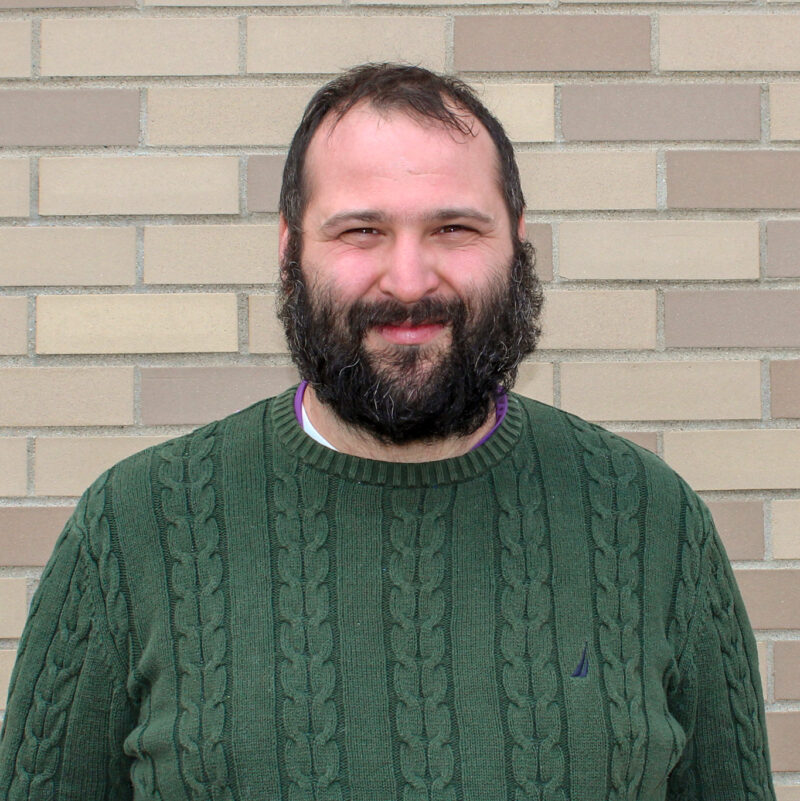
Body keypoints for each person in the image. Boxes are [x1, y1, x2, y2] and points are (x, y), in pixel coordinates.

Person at [0, 63, 774, 800]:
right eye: (362, 231)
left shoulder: (651, 521)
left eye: (454, 228)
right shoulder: (137, 526)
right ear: (288, 247)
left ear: (518, 240)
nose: (408, 279)